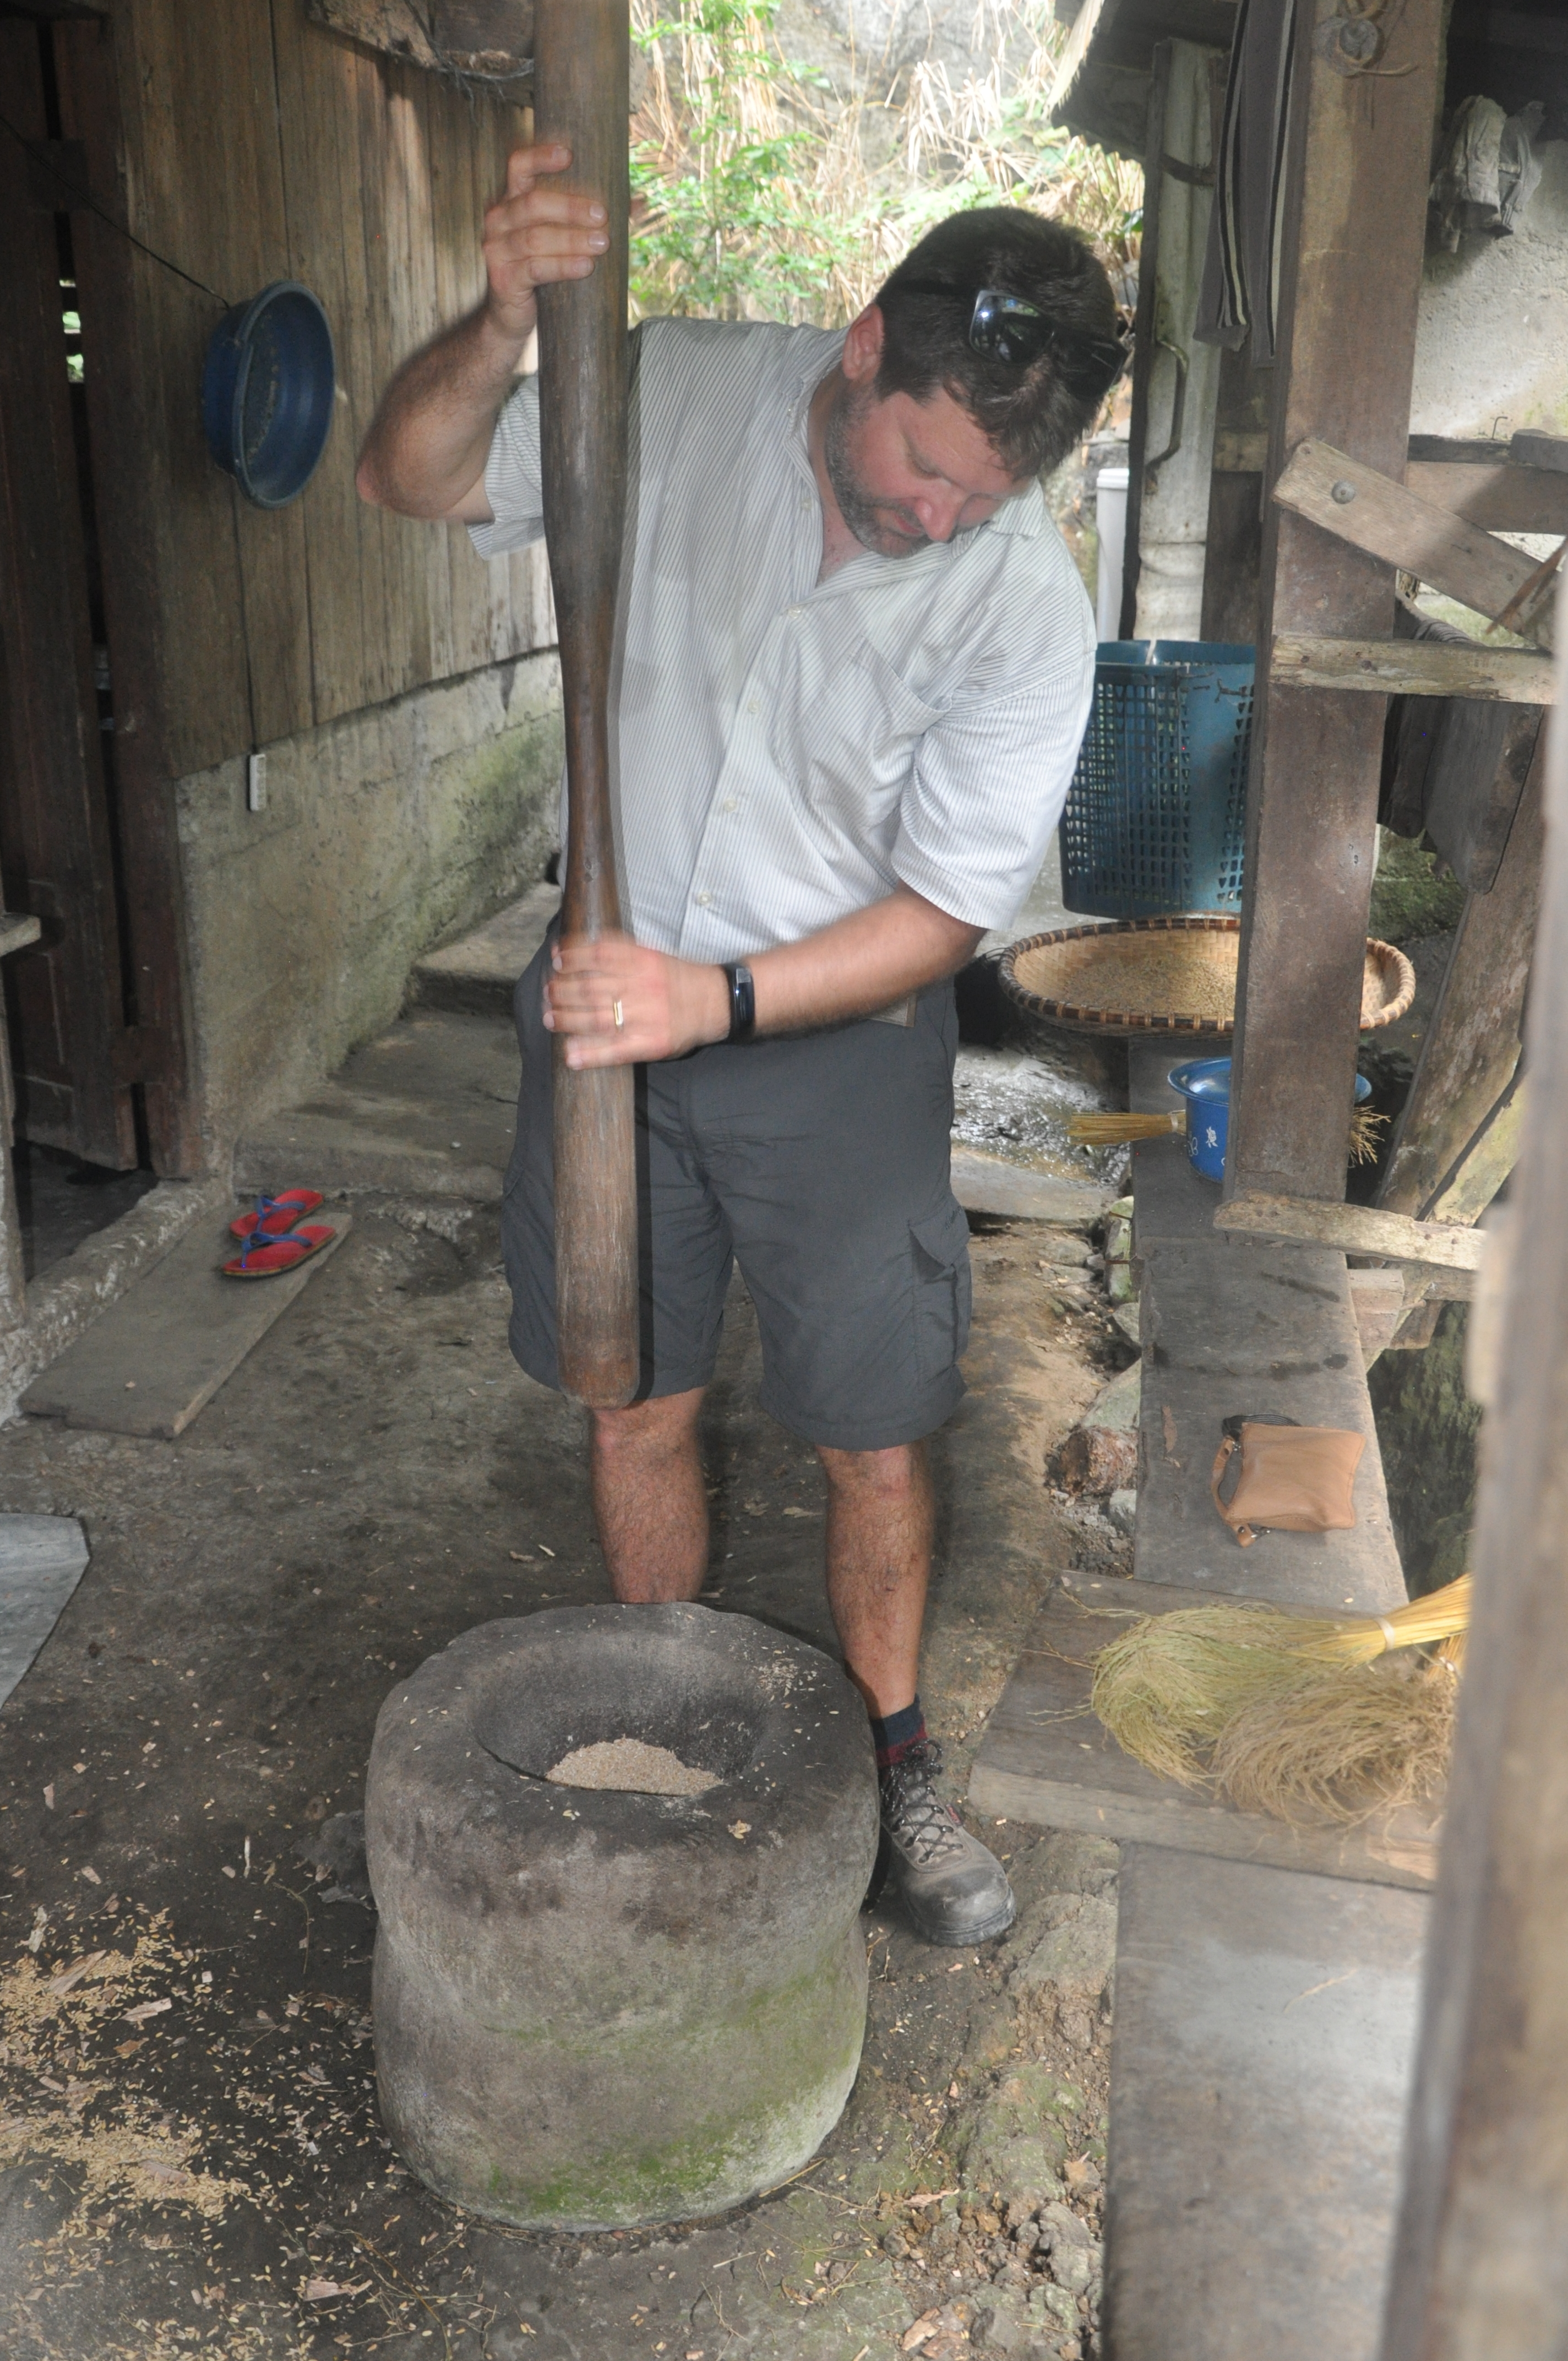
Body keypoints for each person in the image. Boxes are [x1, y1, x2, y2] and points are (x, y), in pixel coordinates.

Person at [357, 144, 1124, 1946]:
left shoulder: (1019, 598)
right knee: (637, 1398)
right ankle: (669, 1722)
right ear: (863, 350)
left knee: (872, 1426)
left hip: (838, 1032)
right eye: (928, 467)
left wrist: (719, 1002)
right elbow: (411, 474)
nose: (942, 517)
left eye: (984, 494)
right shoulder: (665, 390)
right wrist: (497, 327)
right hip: (604, 1010)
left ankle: (895, 1765)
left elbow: (945, 911)